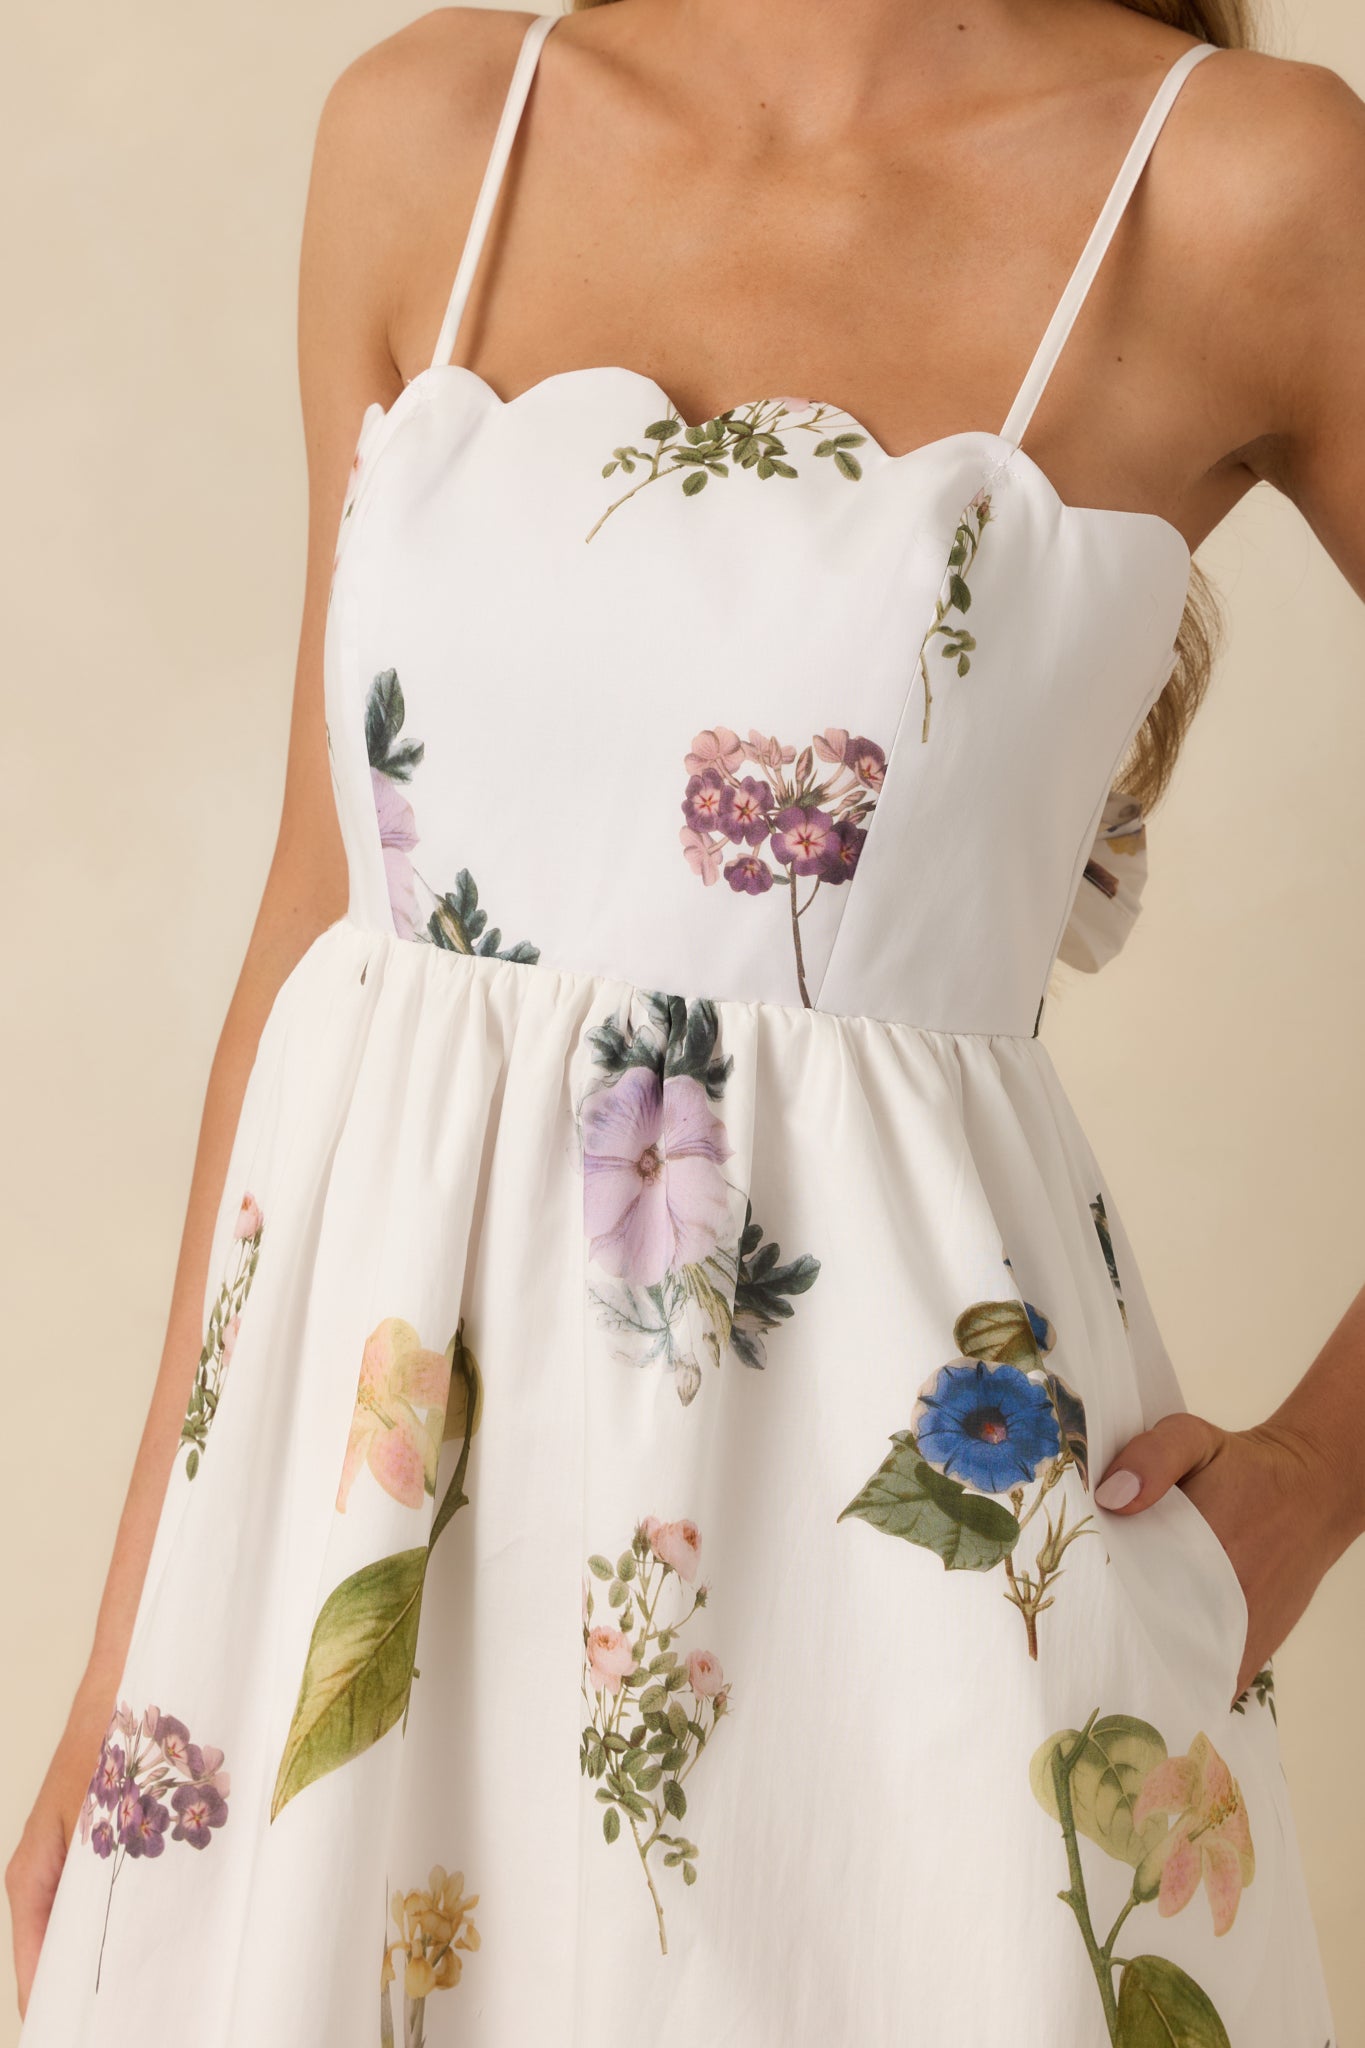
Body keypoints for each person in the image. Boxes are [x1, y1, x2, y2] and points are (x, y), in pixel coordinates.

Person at [9, 1, 1365, 2040]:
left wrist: (1316, 1469)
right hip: (360, 1584)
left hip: (895, 1669)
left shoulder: (1236, 182)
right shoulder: (434, 132)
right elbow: (320, 919)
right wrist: (124, 1684)